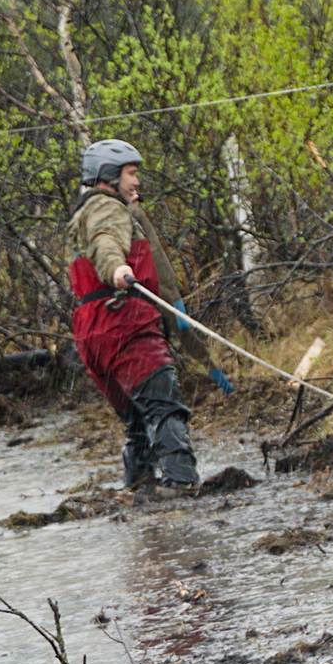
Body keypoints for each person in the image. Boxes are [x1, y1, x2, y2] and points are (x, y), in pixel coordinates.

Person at [65, 139, 201, 496]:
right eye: (131, 173)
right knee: (164, 405)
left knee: (138, 420)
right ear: (109, 175)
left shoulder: (82, 212)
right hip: (122, 321)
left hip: (92, 331)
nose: (136, 181)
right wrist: (118, 269)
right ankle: (183, 488)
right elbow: (106, 243)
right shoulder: (106, 209)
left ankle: (139, 489)